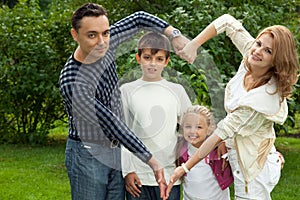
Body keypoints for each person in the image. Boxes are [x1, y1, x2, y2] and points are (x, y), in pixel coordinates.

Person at [58, 3, 188, 200]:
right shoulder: (72, 81)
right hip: (88, 154)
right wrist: (151, 160)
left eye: (106, 33)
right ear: (75, 35)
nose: (101, 41)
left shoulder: (106, 41)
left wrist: (174, 34)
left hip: (115, 151)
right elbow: (111, 123)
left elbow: (138, 18)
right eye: (92, 35)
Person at [166, 14, 299, 200]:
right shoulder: (252, 56)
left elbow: (221, 132)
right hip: (245, 149)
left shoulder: (263, 98)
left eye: (268, 51)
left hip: (253, 169)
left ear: (277, 60)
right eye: (259, 43)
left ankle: (272, 161)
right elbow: (227, 21)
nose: (258, 50)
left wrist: (186, 167)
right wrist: (193, 45)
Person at [120, 31, 192, 200]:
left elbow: (192, 127)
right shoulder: (127, 91)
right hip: (138, 174)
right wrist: (128, 170)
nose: (153, 64)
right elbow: (122, 134)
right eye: (147, 57)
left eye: (159, 59)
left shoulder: (177, 91)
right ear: (138, 58)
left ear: (166, 62)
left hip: (169, 175)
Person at [176, 105, 233, 200]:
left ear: (209, 128)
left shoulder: (218, 150)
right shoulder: (181, 148)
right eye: (188, 126)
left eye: (199, 127)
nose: (192, 131)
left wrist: (223, 142)